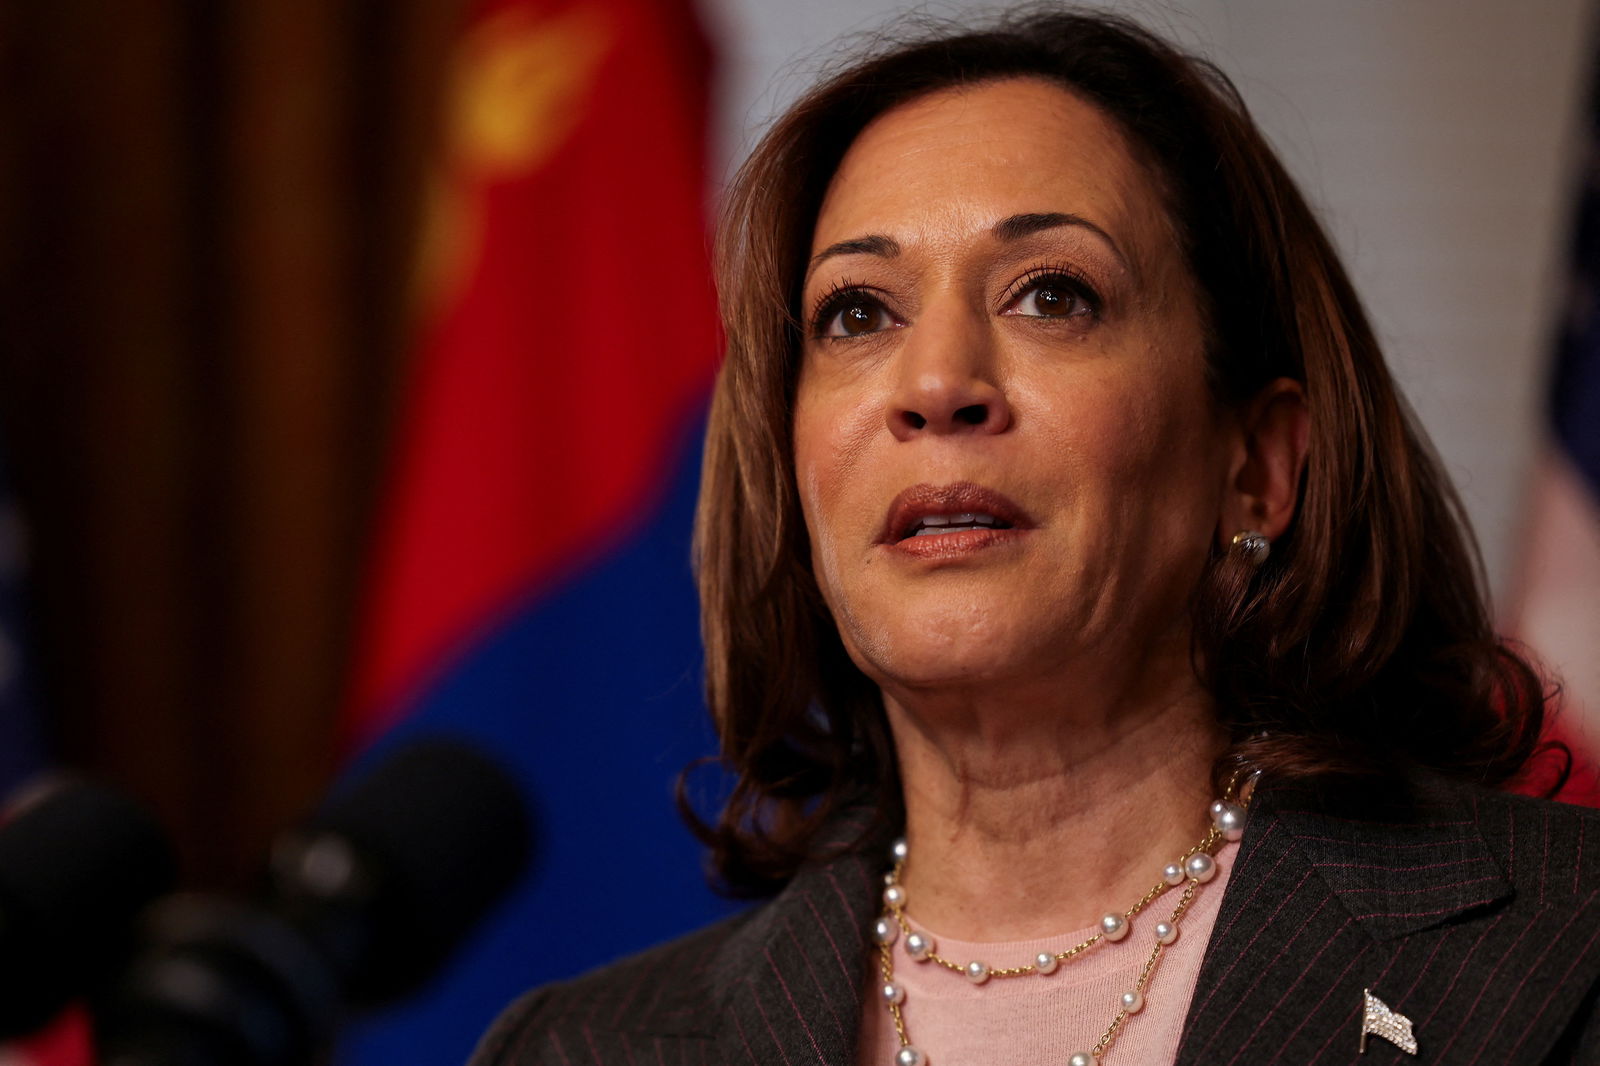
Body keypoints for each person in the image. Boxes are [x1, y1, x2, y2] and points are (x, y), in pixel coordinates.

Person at [469, 9, 1600, 1065]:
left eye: (1050, 295)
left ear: (1254, 468)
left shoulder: (1570, 948)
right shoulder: (582, 1046)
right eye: (858, 312)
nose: (937, 385)